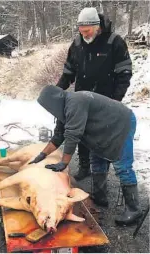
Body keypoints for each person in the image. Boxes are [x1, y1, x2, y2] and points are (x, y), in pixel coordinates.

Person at [30, 85, 142, 226]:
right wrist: (42, 154)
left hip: (120, 123)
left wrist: (64, 162)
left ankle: (134, 209)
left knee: (122, 166)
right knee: (97, 158)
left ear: (53, 102)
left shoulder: (76, 101)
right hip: (103, 127)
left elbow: (72, 134)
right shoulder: (64, 110)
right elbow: (59, 135)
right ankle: (100, 197)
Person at [56, 7, 132, 181]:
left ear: (97, 26)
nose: (84, 34)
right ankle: (84, 166)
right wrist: (58, 90)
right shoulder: (76, 44)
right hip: (82, 98)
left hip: (106, 100)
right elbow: (68, 72)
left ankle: (101, 171)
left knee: (102, 135)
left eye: (88, 31)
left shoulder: (114, 42)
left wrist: (116, 99)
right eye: (81, 31)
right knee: (82, 132)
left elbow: (125, 73)